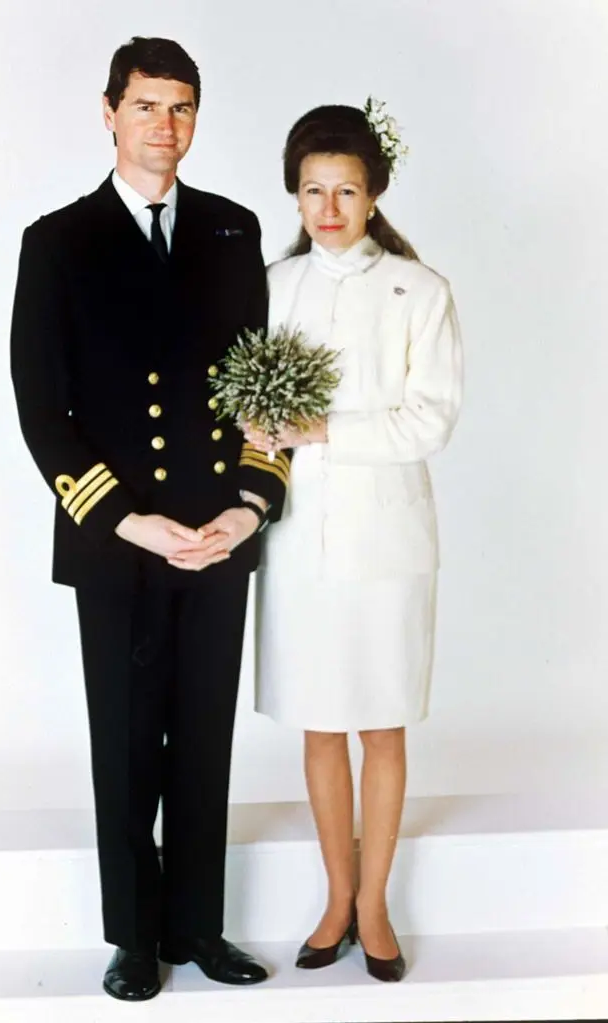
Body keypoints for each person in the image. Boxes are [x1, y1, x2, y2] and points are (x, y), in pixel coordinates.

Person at [10, 36, 290, 1002]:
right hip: (120, 541)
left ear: (196, 118)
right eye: (145, 106)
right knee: (127, 742)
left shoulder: (230, 229)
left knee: (204, 738)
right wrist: (124, 520)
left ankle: (197, 927)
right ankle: (134, 935)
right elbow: (42, 407)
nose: (163, 127)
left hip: (215, 532)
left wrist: (253, 503)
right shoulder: (58, 240)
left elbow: (263, 386)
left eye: (180, 107)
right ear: (108, 112)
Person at [244, 102, 463, 982]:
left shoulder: (421, 290)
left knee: (380, 719)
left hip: (388, 537)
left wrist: (322, 427)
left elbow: (429, 420)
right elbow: (246, 410)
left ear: (372, 195)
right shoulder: (269, 287)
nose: (327, 208)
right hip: (298, 541)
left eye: (345, 190)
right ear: (294, 197)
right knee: (318, 721)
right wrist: (261, 431)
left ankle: (375, 903)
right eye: (311, 191)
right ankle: (335, 892)